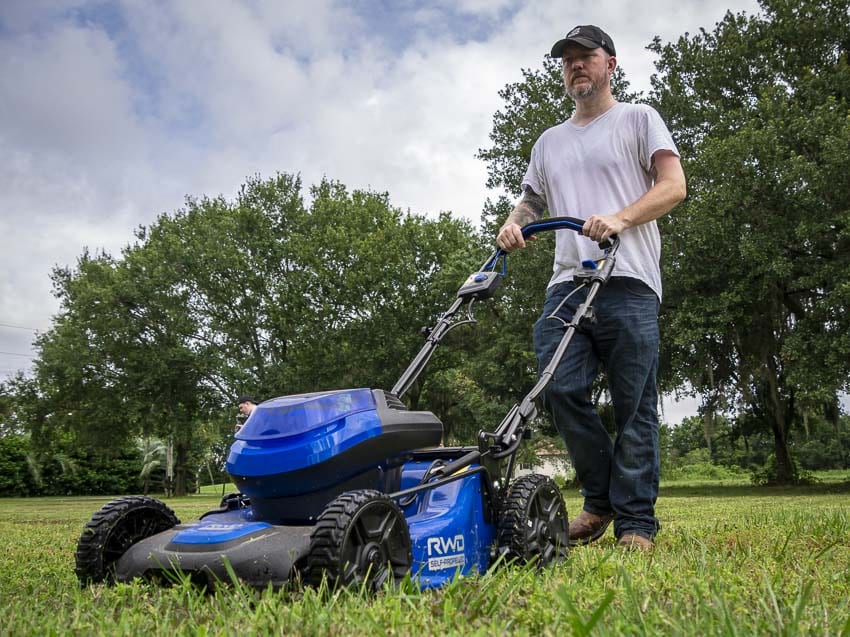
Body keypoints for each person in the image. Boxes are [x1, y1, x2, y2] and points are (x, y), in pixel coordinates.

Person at [496, 25, 687, 550]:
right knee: (558, 386)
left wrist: (622, 218)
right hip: (567, 282)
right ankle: (600, 499)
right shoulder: (548, 141)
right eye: (568, 60)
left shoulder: (638, 119)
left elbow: (674, 186)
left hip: (629, 279)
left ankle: (635, 524)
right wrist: (515, 223)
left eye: (587, 57)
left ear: (611, 64)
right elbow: (531, 200)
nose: (576, 66)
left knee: (635, 405)